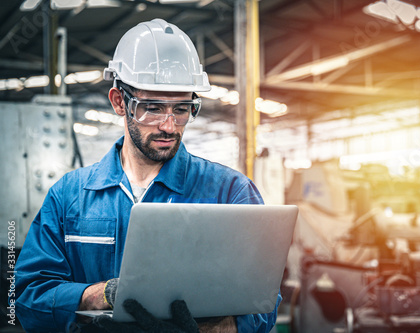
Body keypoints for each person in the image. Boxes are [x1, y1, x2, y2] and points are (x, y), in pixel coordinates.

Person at [15, 19, 281, 333]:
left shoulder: (232, 192)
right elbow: (27, 299)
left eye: (182, 108)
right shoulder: (69, 196)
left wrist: (214, 329)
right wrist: (101, 295)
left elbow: (263, 306)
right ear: (118, 101)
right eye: (152, 107)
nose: (169, 126)